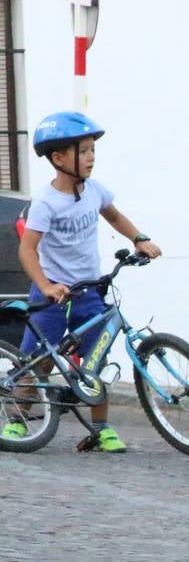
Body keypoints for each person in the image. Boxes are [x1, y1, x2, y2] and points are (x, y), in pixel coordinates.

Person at [8, 111, 162, 452]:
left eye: (93, 150)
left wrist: (139, 238)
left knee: (96, 359)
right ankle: (17, 420)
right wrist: (46, 286)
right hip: (52, 293)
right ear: (59, 158)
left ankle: (101, 428)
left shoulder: (93, 190)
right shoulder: (46, 202)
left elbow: (114, 215)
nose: (92, 157)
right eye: (84, 151)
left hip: (89, 290)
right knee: (38, 362)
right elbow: (27, 251)